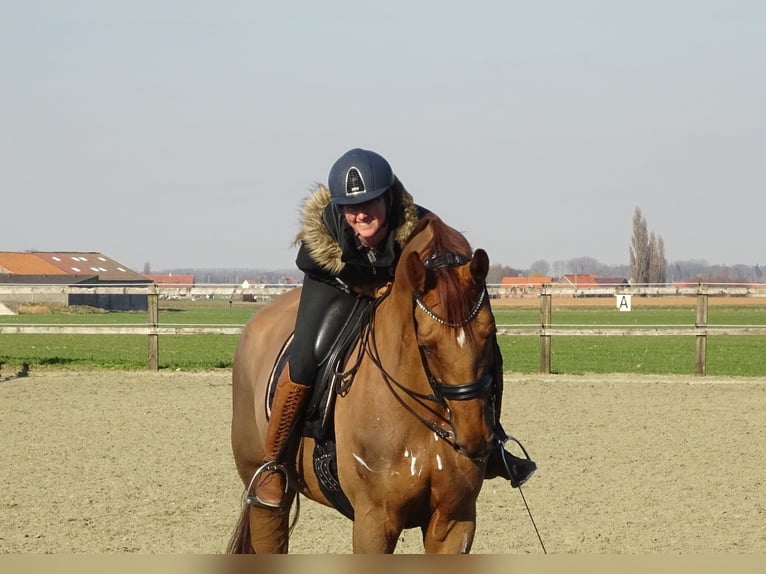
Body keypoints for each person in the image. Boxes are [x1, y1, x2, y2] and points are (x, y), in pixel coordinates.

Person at [253, 148, 536, 508]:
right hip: (335, 284)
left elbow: (452, 252)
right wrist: (367, 287)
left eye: (370, 203)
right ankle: (273, 462)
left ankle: (493, 443)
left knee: (480, 348)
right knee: (307, 357)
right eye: (351, 208)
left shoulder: (417, 222)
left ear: (388, 198)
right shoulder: (322, 237)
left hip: (392, 290)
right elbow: (325, 268)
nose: (360, 215)